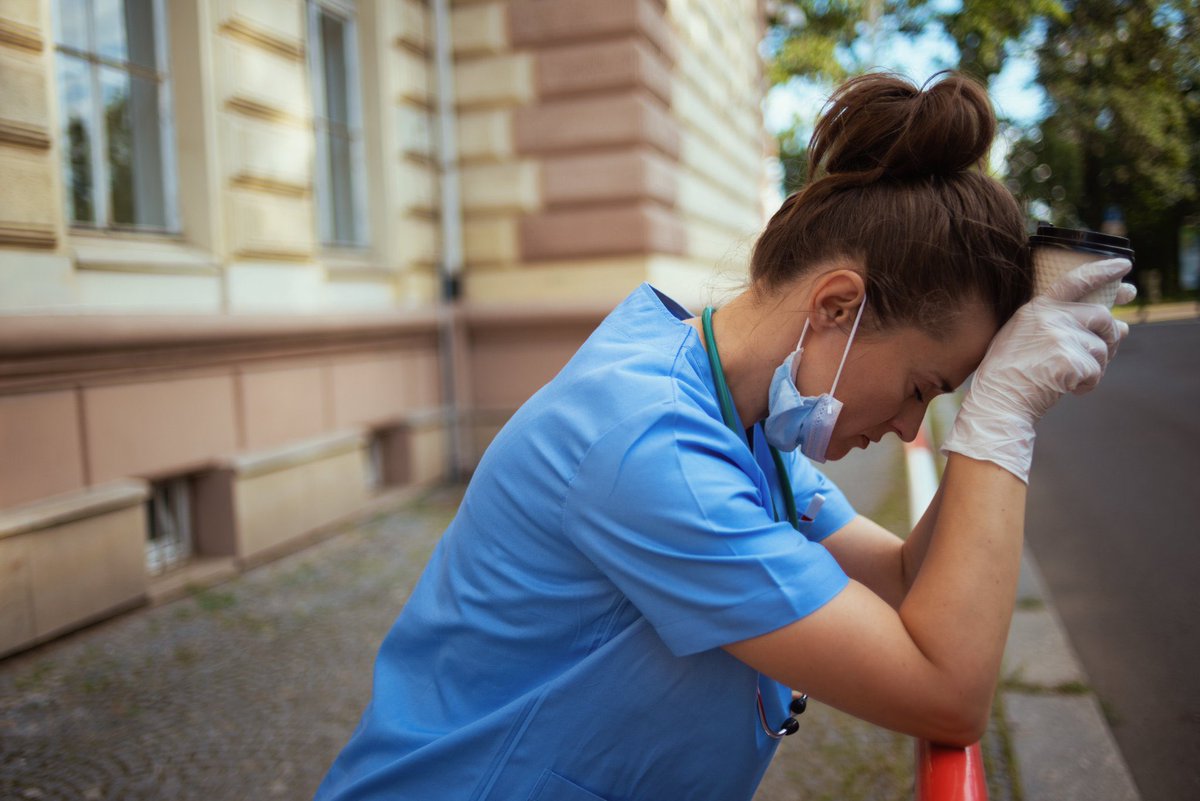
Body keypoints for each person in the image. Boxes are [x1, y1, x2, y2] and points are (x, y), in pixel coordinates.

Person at [314, 72, 1132, 801]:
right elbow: (945, 687)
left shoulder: (736, 414)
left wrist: (996, 399)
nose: (910, 427)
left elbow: (906, 582)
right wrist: (1001, 422)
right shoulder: (648, 443)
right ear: (837, 306)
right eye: (922, 388)